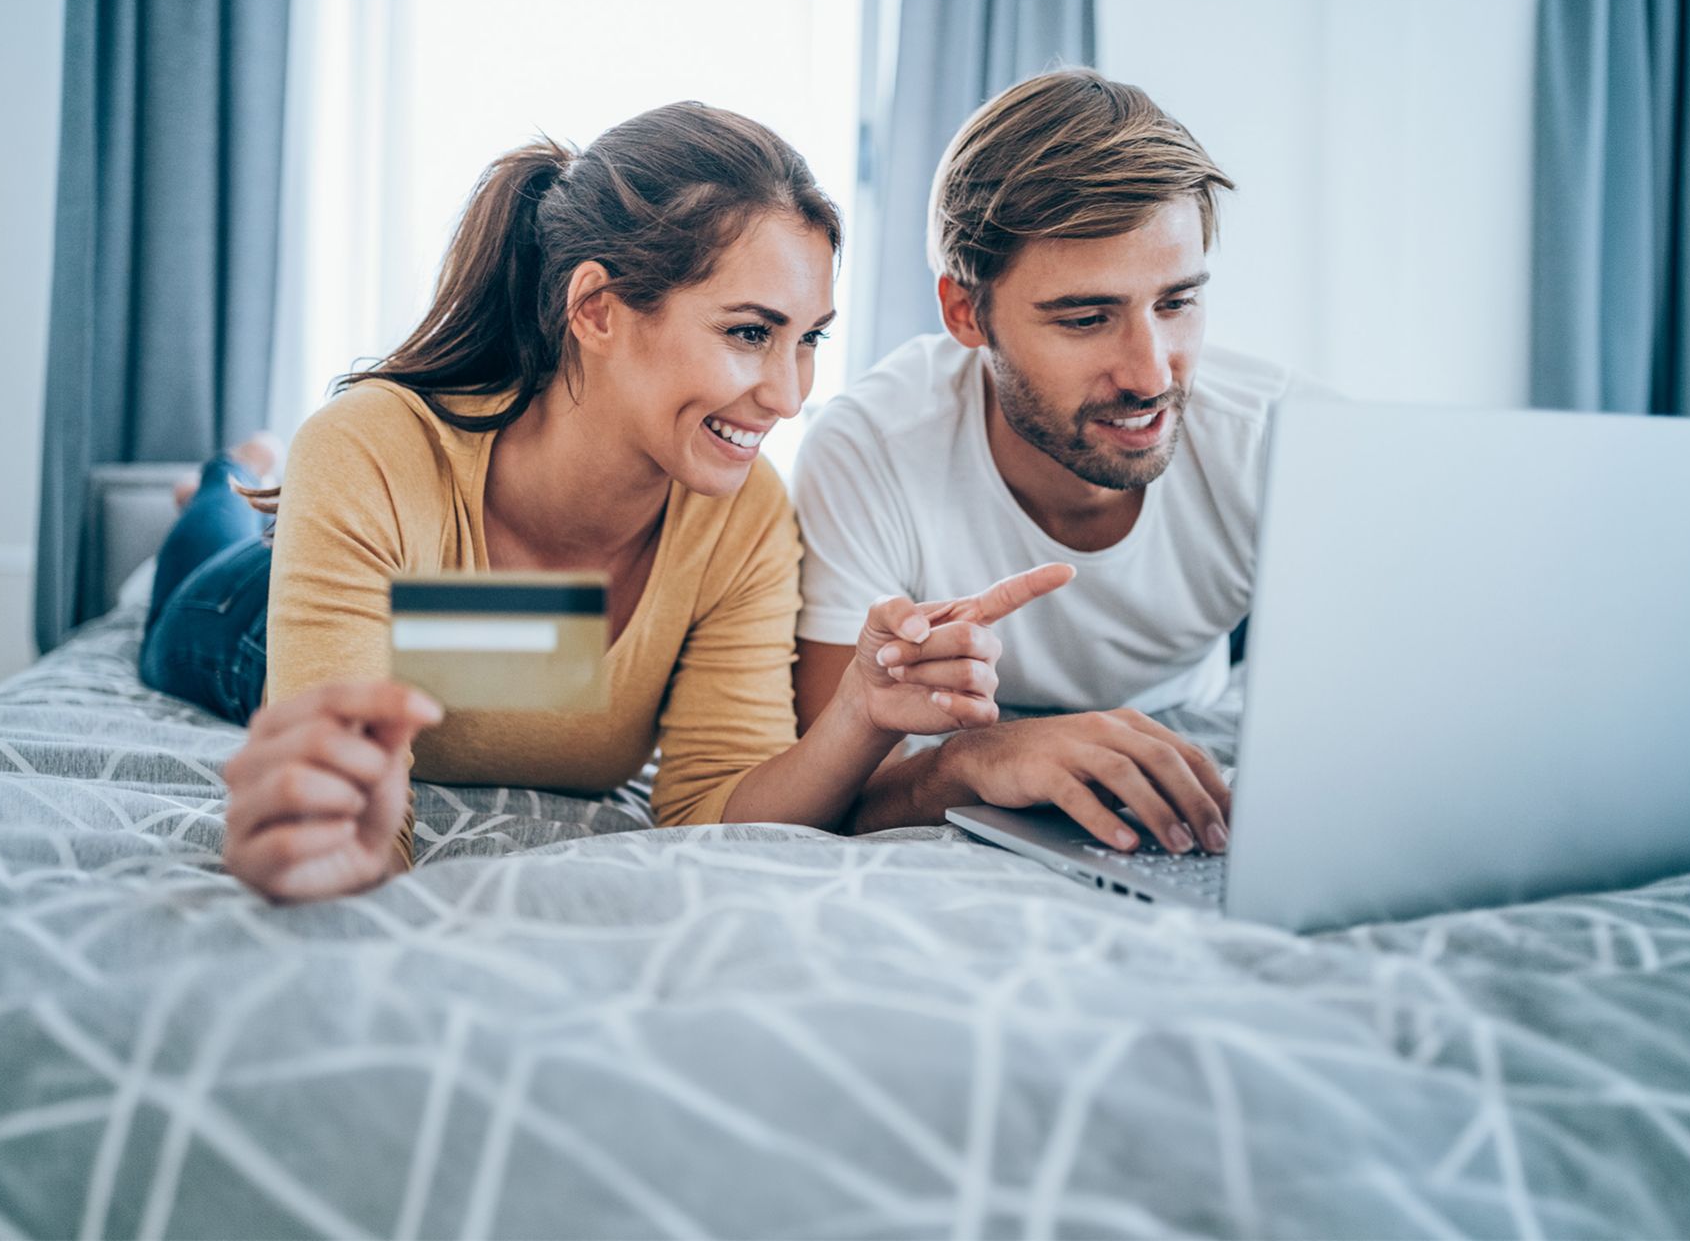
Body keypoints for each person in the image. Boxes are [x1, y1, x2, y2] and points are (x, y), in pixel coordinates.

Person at [140, 102, 1070, 902]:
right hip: (239, 617)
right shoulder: (369, 448)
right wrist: (341, 840)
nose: (790, 396)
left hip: (468, 629)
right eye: (750, 333)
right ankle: (223, 476)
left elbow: (713, 809)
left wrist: (861, 713)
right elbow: (352, 824)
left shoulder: (741, 512)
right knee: (215, 522)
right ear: (595, 310)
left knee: (519, 642)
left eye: (809, 339)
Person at [792, 68, 1317, 857]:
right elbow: (834, 790)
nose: (1150, 374)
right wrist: (971, 761)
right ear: (965, 311)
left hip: (1185, 741)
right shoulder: (870, 451)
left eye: (1176, 303)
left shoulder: (1283, 438)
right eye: (1084, 318)